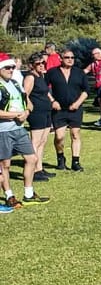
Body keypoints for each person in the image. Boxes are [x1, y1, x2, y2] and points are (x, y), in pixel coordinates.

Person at [0, 54, 49, 208]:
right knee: (5, 165)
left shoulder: (15, 83)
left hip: (19, 129)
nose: (11, 70)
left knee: (32, 159)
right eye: (7, 67)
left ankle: (28, 194)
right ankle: (9, 196)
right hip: (3, 131)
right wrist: (16, 115)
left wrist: (26, 112)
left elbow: (29, 104)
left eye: (12, 67)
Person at [46, 48, 88, 172]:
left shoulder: (79, 73)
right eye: (67, 57)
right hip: (59, 110)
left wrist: (77, 103)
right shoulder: (52, 72)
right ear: (61, 59)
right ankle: (60, 157)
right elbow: (44, 88)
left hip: (75, 109)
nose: (70, 60)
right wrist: (52, 101)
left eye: (72, 58)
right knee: (59, 137)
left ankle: (76, 161)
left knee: (75, 134)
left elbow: (86, 91)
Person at [22, 53, 55, 182]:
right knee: (35, 141)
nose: (41, 65)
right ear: (31, 65)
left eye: (43, 63)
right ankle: (33, 170)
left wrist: (52, 101)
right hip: (37, 112)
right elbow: (25, 94)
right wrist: (29, 106)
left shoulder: (41, 76)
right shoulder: (30, 77)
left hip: (46, 110)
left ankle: (39, 168)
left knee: (43, 141)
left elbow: (46, 91)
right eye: (38, 64)